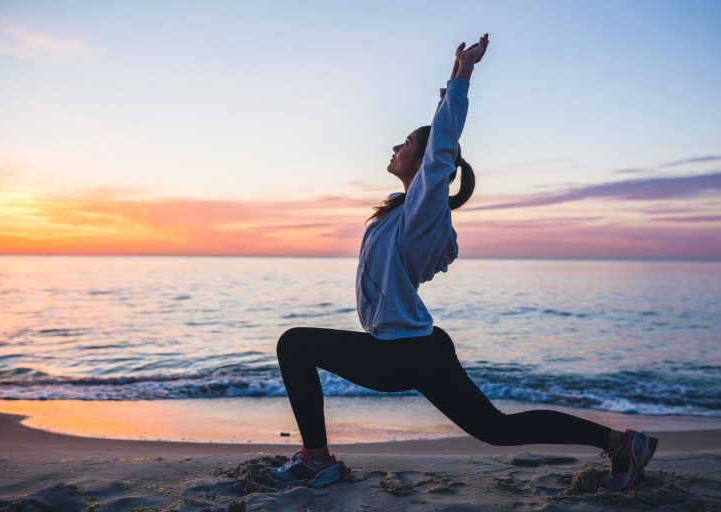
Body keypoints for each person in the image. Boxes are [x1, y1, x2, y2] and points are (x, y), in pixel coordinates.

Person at [270, 34, 657, 491]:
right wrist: (450, 81)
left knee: (294, 344)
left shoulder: (423, 210)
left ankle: (317, 460)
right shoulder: (403, 209)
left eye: (406, 143)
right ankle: (620, 442)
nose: (396, 146)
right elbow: (436, 151)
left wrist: (463, 75)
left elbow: (442, 145)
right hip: (419, 342)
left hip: (401, 352)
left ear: (429, 160)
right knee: (496, 429)